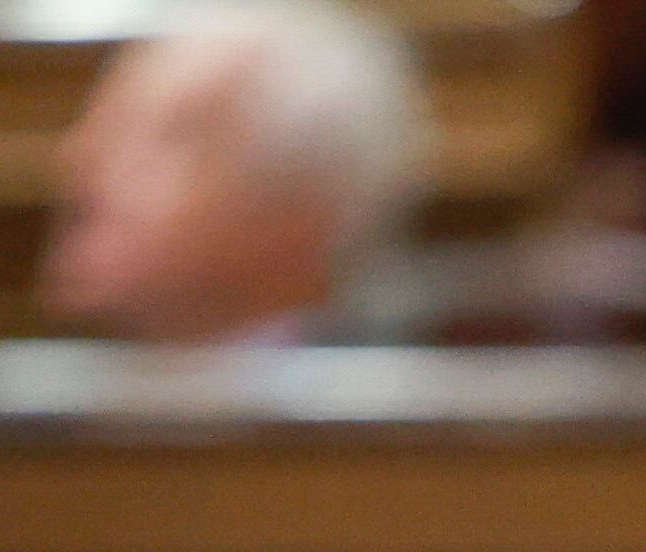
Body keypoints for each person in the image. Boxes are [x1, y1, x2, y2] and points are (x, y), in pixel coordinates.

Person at [43, 2, 425, 344]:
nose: (83, 160)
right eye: (108, 129)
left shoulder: (394, 416)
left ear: (301, 209)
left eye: (166, 140)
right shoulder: (39, 403)